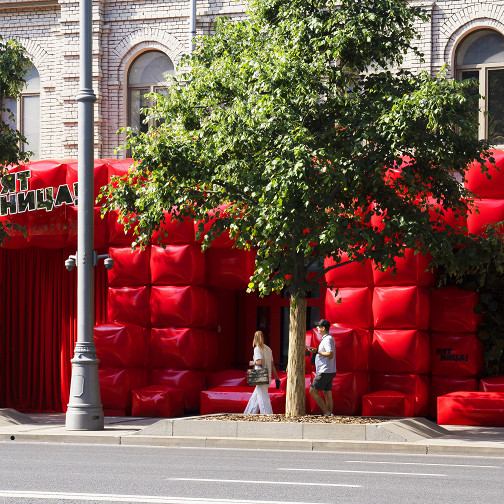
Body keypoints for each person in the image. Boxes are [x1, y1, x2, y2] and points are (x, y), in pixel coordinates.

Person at [244, 331, 281, 414]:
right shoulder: (268, 349)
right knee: (255, 397)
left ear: (255, 338)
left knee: (263, 398)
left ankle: (267, 415)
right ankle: (249, 413)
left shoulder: (257, 349)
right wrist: (276, 377)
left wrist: (252, 363)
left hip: (260, 376)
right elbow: (272, 365)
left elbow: (260, 362)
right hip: (268, 376)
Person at [307, 319, 336, 416]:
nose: (317, 328)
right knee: (327, 393)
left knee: (312, 391)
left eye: (319, 326)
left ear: (323, 328)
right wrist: (316, 350)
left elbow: (330, 354)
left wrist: (317, 351)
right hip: (330, 370)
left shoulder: (327, 339)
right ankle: (329, 414)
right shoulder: (328, 338)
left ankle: (326, 412)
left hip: (324, 370)